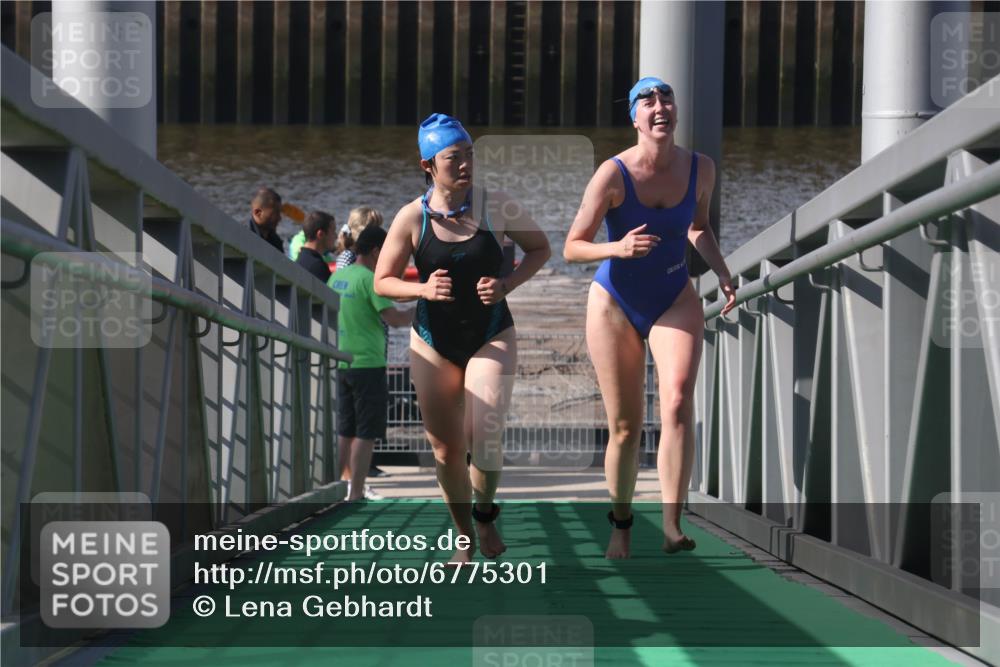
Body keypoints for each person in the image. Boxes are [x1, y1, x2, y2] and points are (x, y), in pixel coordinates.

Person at [563, 77, 737, 559]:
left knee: (678, 402)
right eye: (647, 101)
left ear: (675, 111)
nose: (659, 107)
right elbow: (572, 245)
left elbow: (698, 228)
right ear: (634, 118)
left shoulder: (702, 168)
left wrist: (722, 272)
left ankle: (672, 524)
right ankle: (620, 526)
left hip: (673, 293)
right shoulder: (613, 174)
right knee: (625, 426)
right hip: (615, 301)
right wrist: (617, 247)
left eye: (666, 98)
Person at [374, 113, 550, 562]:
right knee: (446, 448)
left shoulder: (497, 205)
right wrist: (422, 289)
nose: (466, 164)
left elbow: (540, 248)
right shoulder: (412, 216)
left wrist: (506, 284)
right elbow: (382, 281)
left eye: (470, 154)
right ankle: (463, 533)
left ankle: (486, 515)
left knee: (484, 433)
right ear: (428, 165)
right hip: (433, 339)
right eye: (455, 157)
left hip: (491, 331)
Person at [330, 226, 414, 502]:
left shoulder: (338, 276)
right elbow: (394, 319)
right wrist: (422, 307)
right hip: (368, 363)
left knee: (345, 430)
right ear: (378, 251)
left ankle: (332, 488)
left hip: (341, 361)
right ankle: (355, 492)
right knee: (365, 433)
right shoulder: (370, 279)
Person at [295, 211, 337, 283]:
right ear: (320, 234)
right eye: (333, 231)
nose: (336, 236)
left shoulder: (301, 258)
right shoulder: (318, 267)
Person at [248, 186, 285, 253]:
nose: (280, 218)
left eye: (279, 213)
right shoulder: (244, 238)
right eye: (275, 213)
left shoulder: (276, 241)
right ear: (258, 213)